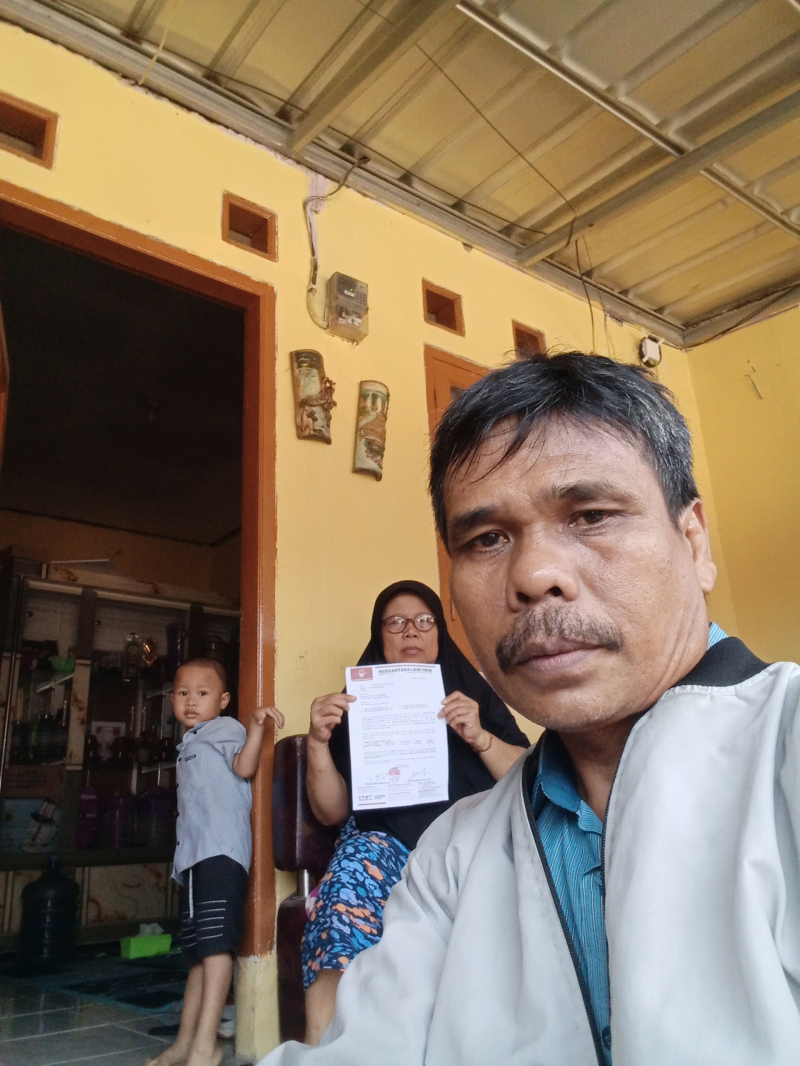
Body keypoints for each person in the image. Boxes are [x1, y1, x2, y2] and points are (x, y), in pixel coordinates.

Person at [260, 352, 800, 1066]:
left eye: (592, 515)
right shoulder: (451, 856)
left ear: (694, 541)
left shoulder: (786, 748)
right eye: (487, 539)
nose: (534, 574)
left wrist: (476, 733)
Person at [301, 580, 530, 1043]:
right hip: (383, 843)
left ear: (439, 632)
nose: (411, 630)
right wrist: (318, 743)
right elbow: (330, 813)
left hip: (467, 842)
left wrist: (480, 736)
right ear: (379, 635)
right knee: (346, 885)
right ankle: (321, 1047)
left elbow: (528, 781)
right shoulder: (354, 704)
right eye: (396, 622)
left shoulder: (473, 695)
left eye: (425, 620)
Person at [146, 658, 284, 1066]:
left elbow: (244, 767)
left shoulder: (225, 729)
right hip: (193, 857)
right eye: (182, 693)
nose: (191, 701)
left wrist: (255, 726)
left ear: (223, 700)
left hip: (221, 854)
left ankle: (206, 1047)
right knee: (198, 954)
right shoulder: (190, 742)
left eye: (202, 693)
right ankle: (185, 1043)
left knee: (217, 948)